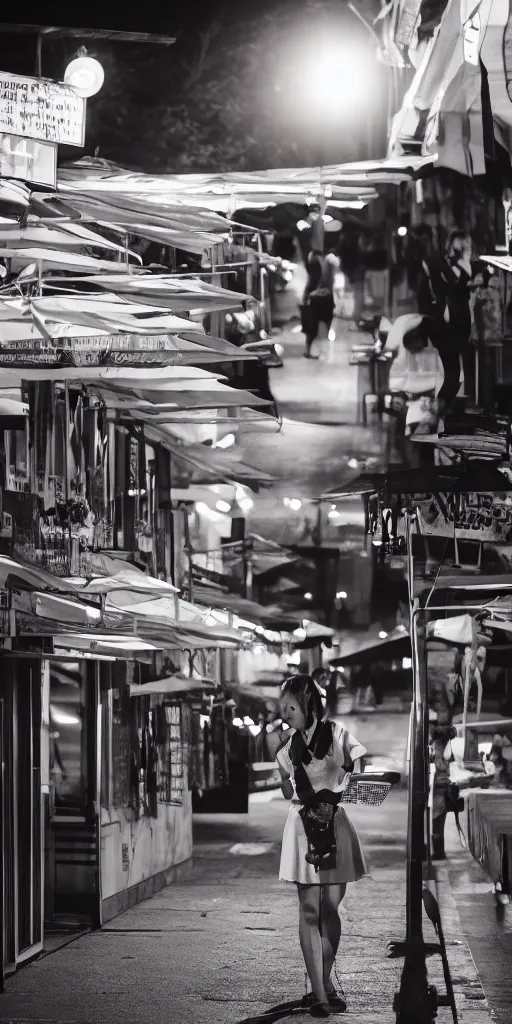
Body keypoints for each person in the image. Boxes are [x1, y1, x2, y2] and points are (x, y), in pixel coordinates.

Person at [276, 674, 368, 1017]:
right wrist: (284, 778)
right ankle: (319, 994)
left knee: (330, 906)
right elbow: (288, 792)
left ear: (309, 704)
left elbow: (358, 764)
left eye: (290, 706)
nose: (285, 713)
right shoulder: (288, 748)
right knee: (310, 910)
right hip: (301, 825)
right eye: (282, 707)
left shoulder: (338, 734)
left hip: (332, 822)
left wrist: (349, 778)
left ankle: (323, 981)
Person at [440, 231, 475, 403]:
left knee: (465, 351)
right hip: (455, 310)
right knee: (457, 351)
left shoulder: (463, 263)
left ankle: (465, 391)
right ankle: (455, 393)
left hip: (463, 310)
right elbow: (456, 284)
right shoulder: (450, 264)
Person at [302, 249, 340, 359]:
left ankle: (309, 351)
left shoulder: (315, 263)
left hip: (316, 298)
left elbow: (312, 282)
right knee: (326, 324)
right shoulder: (328, 263)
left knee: (312, 327)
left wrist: (306, 295)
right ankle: (326, 350)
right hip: (327, 297)